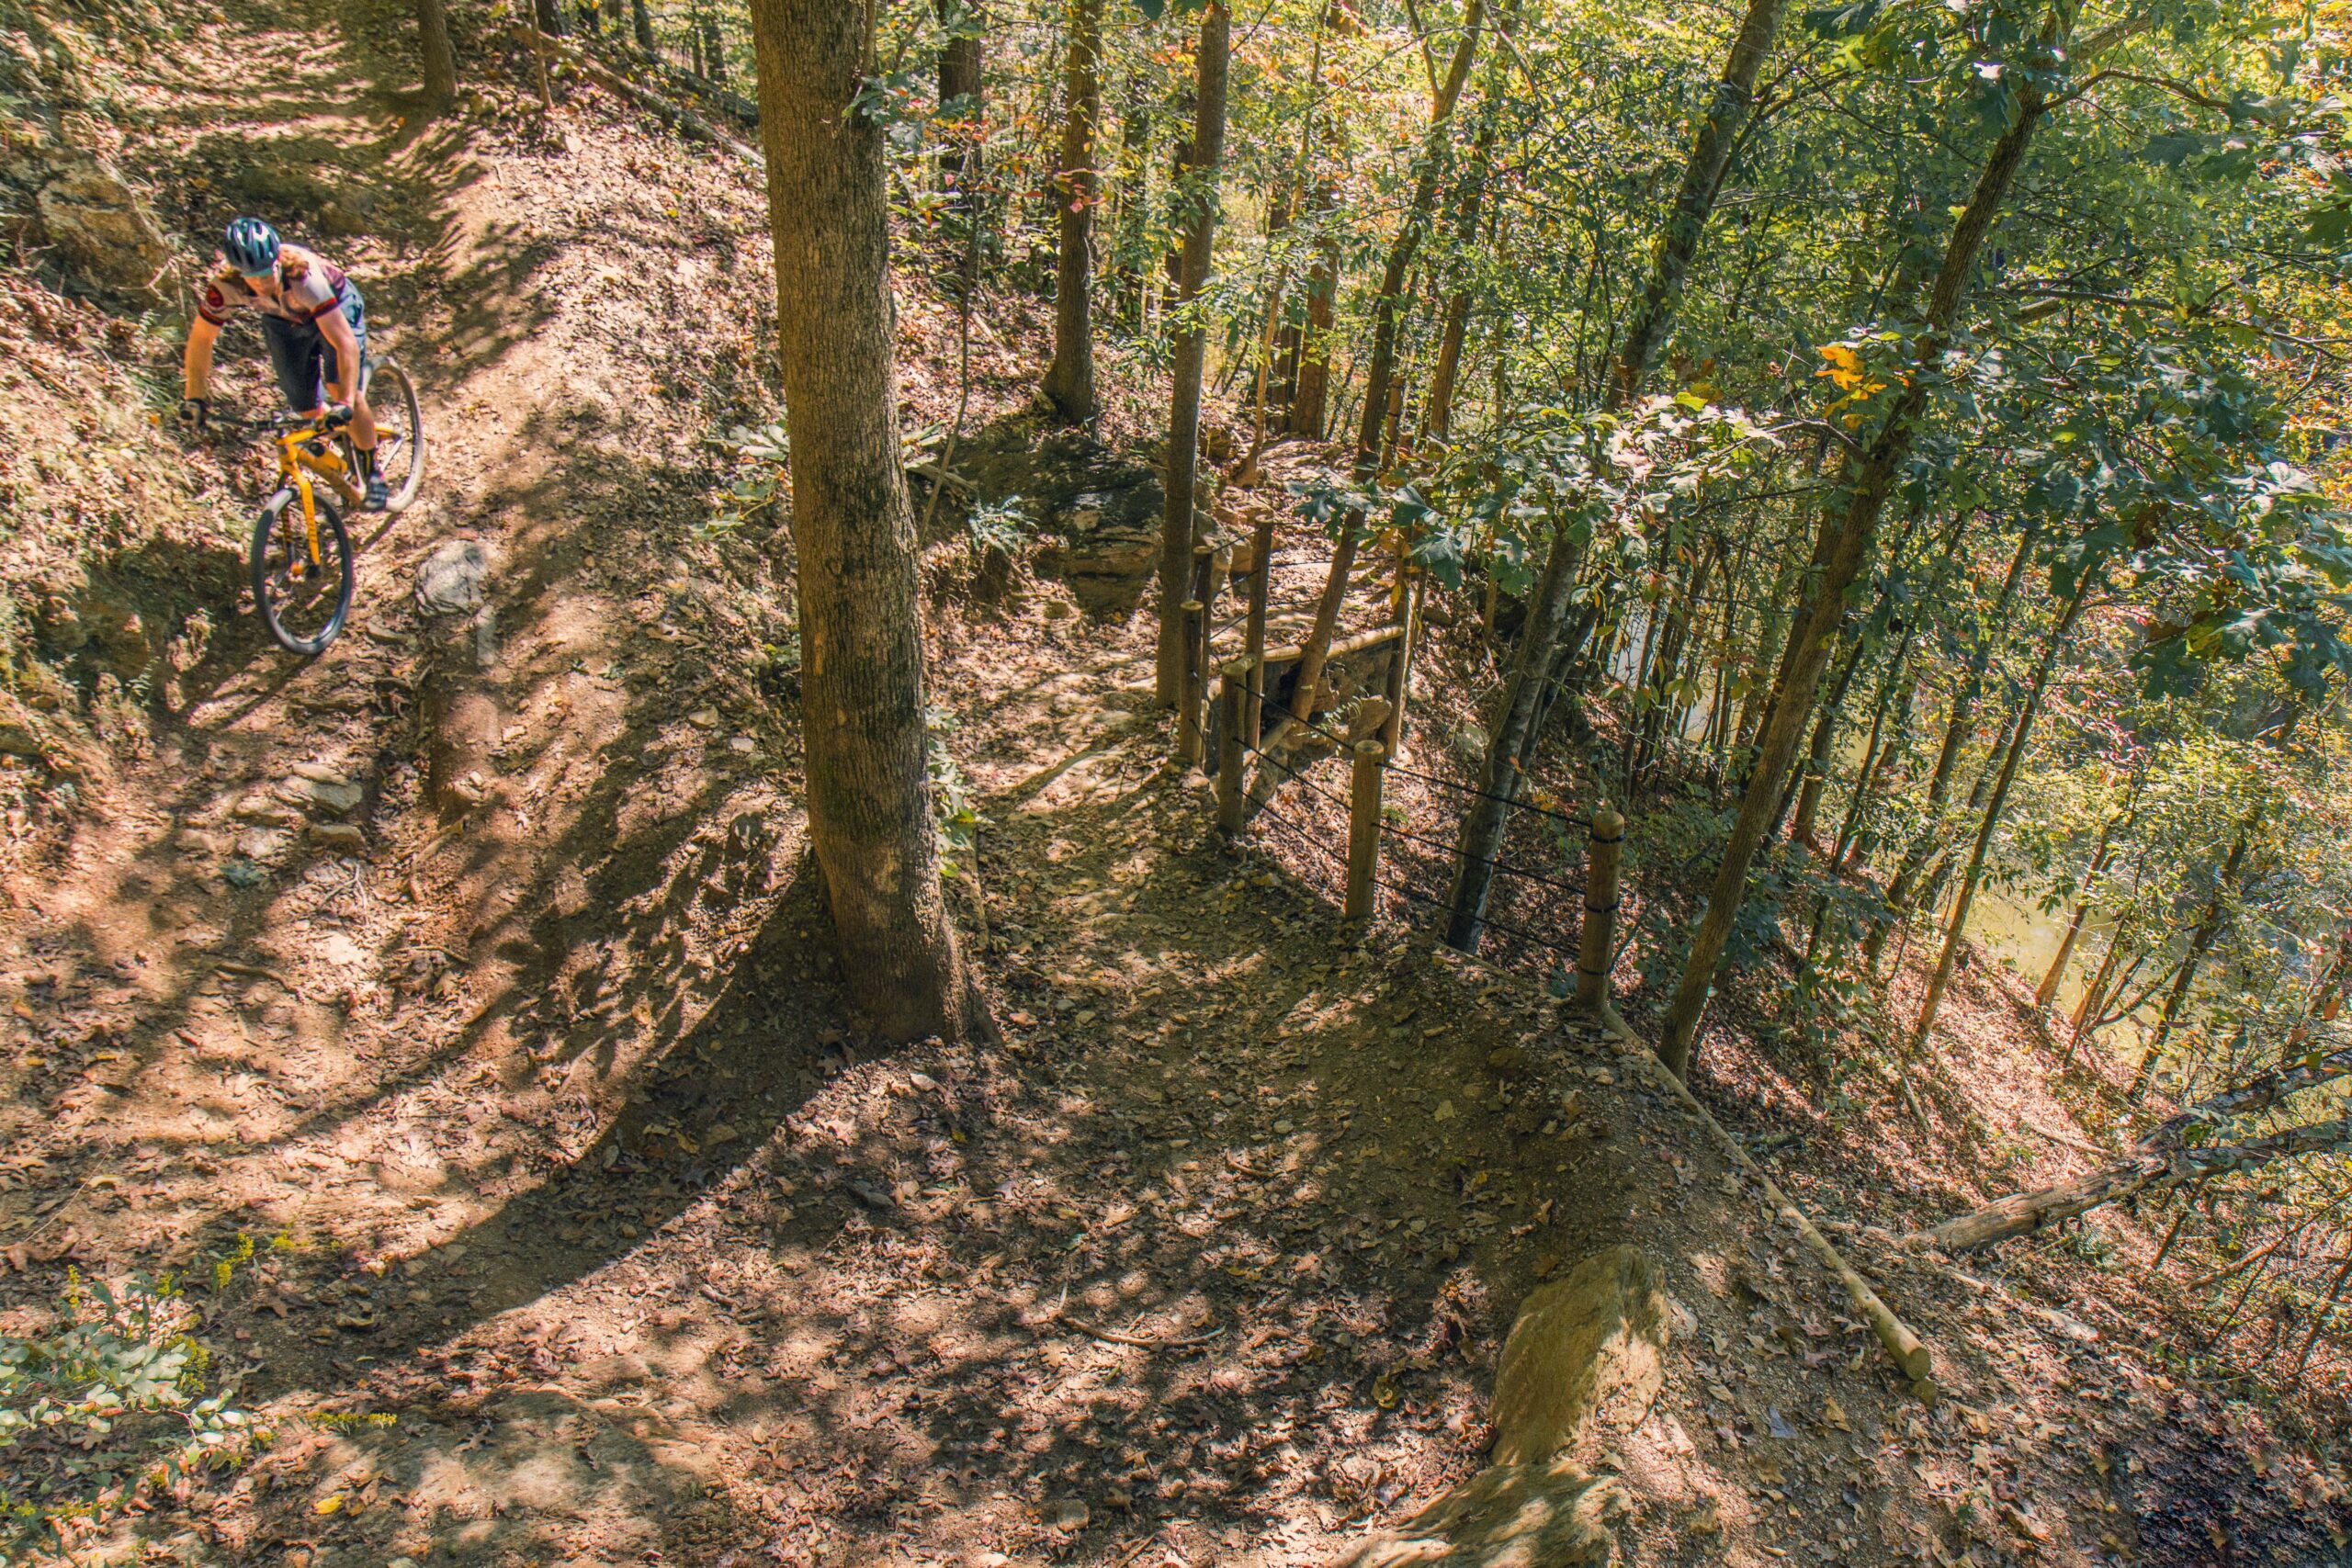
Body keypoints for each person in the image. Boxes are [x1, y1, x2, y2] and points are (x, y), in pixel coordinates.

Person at [181, 217, 386, 510]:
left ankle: (372, 470)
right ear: (239, 273)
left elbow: (345, 343)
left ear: (278, 260)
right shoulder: (225, 288)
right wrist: (194, 397)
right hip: (282, 320)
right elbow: (201, 340)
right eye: (255, 276)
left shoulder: (302, 276)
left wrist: (345, 401)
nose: (264, 281)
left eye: (269, 271)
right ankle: (340, 433)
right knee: (306, 407)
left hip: (335, 307)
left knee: (341, 386)